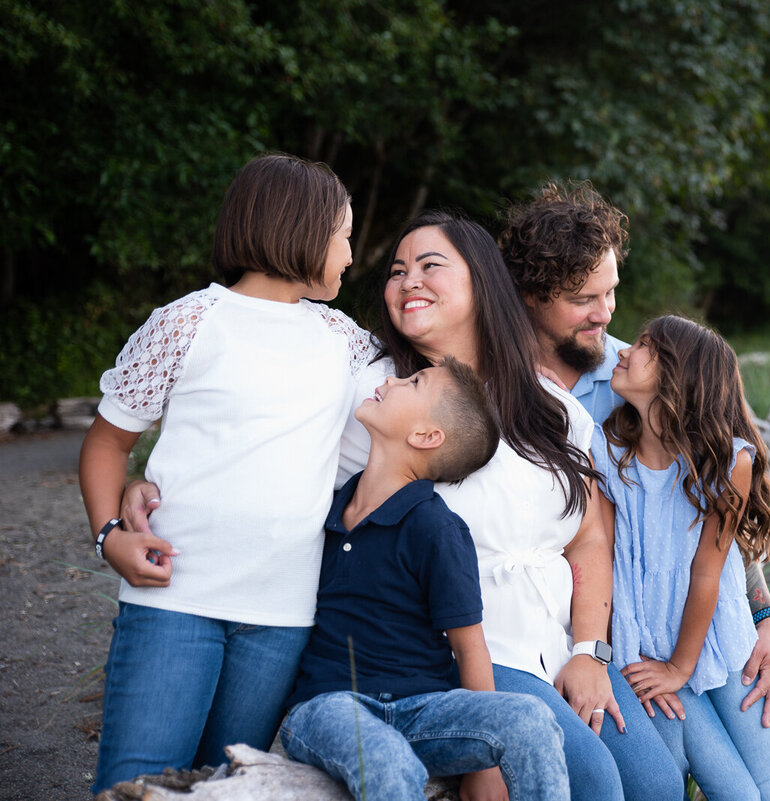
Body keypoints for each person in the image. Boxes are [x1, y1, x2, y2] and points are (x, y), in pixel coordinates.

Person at [119, 209, 681, 801]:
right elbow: (269, 463)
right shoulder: (373, 393)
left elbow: (590, 533)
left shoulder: (549, 401)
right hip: (463, 649)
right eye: (396, 270)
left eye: (430, 265)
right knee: (596, 783)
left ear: (481, 280)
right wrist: (157, 486)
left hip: (562, 641)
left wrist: (591, 651)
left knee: (658, 784)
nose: (408, 280)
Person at [499, 181, 770, 796]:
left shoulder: (653, 372)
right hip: (606, 633)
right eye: (585, 298)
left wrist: (767, 613)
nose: (607, 314)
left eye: (612, 291)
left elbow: (714, 519)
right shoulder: (512, 392)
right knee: (664, 750)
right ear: (532, 298)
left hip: (698, 629)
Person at [80, 153, 373, 793]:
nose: (352, 253)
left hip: (282, 614)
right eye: (345, 234)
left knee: (225, 786)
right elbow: (106, 443)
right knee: (140, 784)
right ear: (299, 228)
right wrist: (110, 535)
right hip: (173, 594)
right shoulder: (185, 322)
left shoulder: (345, 340)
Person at [280, 357, 569, 801]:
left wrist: (484, 770)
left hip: (423, 711)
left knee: (530, 718)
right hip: (330, 705)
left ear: (425, 436)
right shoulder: (330, 502)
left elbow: (469, 647)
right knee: (388, 758)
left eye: (413, 382)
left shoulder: (437, 529)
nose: (391, 381)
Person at [595, 314, 770, 801]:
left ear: (678, 377)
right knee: (740, 794)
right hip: (644, 651)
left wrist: (681, 667)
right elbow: (601, 560)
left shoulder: (729, 463)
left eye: (643, 346)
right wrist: (653, 665)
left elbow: (707, 572)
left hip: (718, 644)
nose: (622, 350)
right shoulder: (605, 450)